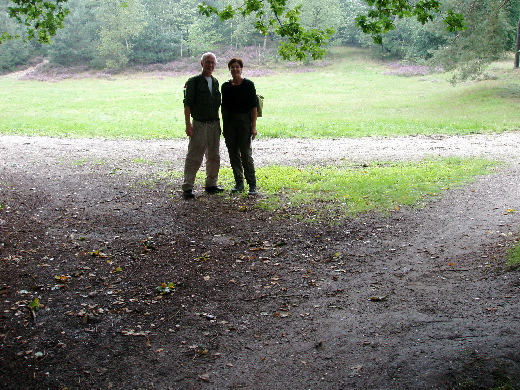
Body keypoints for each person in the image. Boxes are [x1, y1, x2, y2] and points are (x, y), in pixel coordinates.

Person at [181, 52, 224, 199]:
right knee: (194, 155)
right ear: (201, 63)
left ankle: (211, 184)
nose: (210, 65)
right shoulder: (193, 82)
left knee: (214, 156)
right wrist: (188, 125)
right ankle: (188, 187)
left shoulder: (216, 82)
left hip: (214, 124)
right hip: (199, 124)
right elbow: (187, 105)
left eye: (213, 62)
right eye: (207, 62)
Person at [221, 57, 259, 196]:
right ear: (229, 70)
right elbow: (224, 107)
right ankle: (239, 183)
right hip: (230, 123)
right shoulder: (225, 86)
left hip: (244, 122)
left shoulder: (248, 85)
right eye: (232, 67)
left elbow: (254, 107)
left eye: (237, 67)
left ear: (241, 69)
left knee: (246, 154)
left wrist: (253, 126)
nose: (235, 69)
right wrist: (224, 125)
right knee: (233, 154)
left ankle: (252, 184)